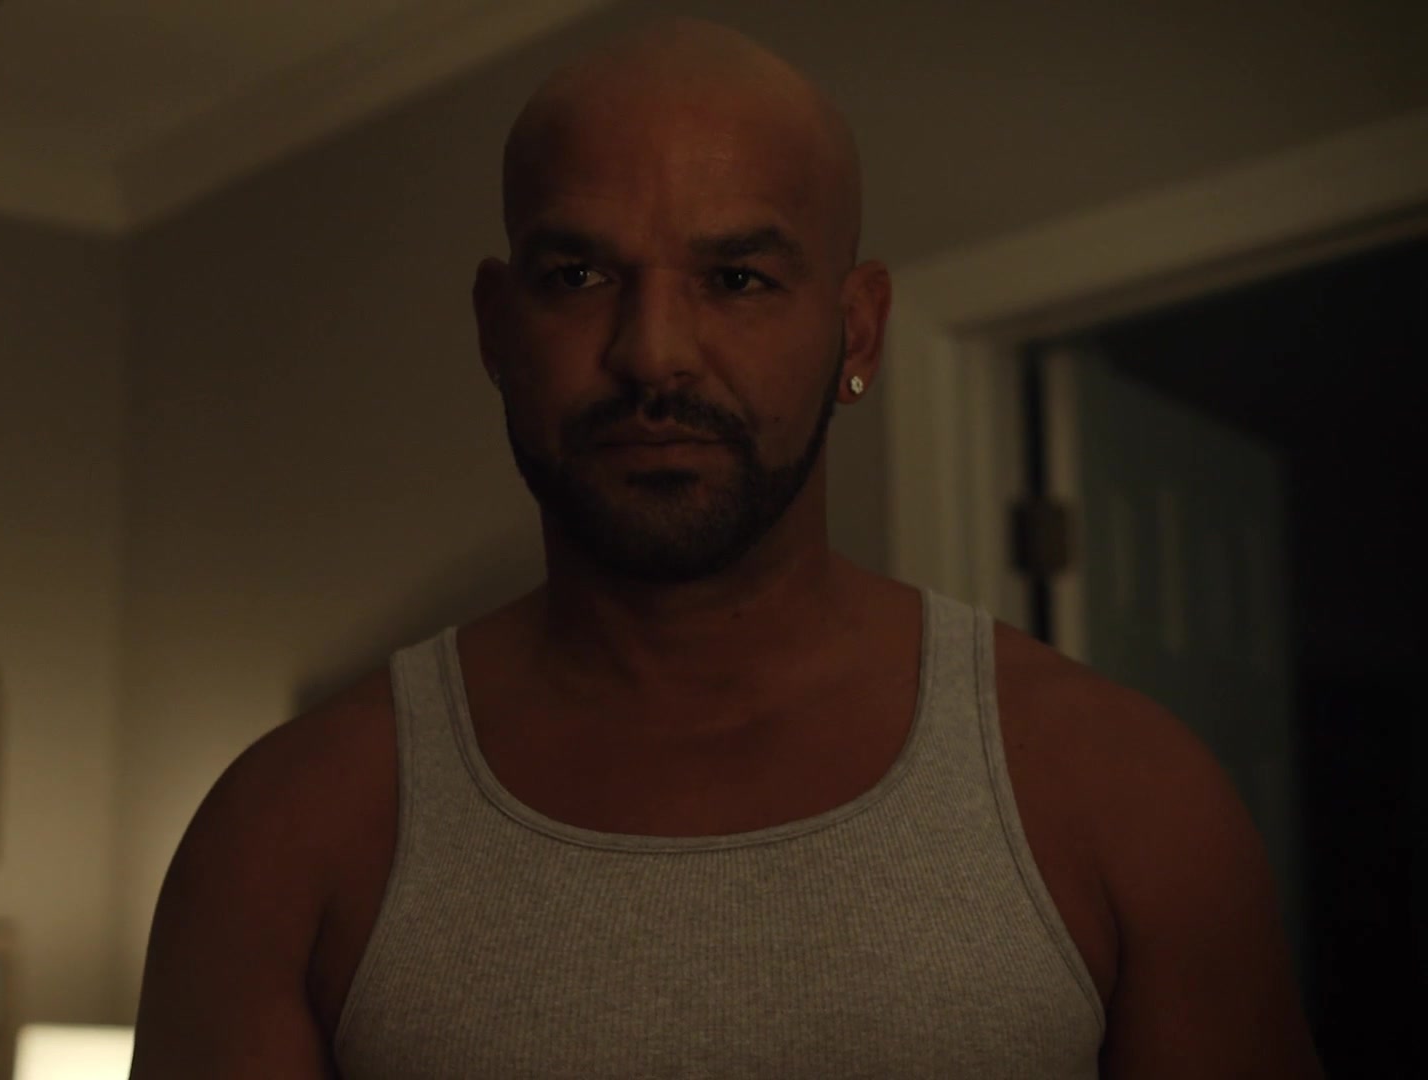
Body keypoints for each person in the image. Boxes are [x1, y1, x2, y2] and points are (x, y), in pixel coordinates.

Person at [129, 17, 1321, 1079]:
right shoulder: (289, 832)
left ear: (858, 331)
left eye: (738, 278)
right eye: (579, 275)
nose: (653, 352)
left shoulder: (1123, 794)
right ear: (497, 328)